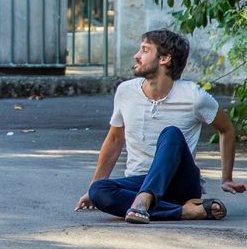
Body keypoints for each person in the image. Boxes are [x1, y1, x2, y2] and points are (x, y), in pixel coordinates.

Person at [75, 29, 246, 223]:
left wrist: (227, 178)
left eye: (145, 50)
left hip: (180, 184)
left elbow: (227, 129)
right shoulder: (125, 91)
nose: (136, 56)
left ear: (164, 59)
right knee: (99, 190)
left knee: (171, 133)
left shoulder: (194, 97)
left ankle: (144, 200)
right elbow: (115, 139)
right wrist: (92, 188)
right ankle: (184, 211)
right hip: (139, 180)